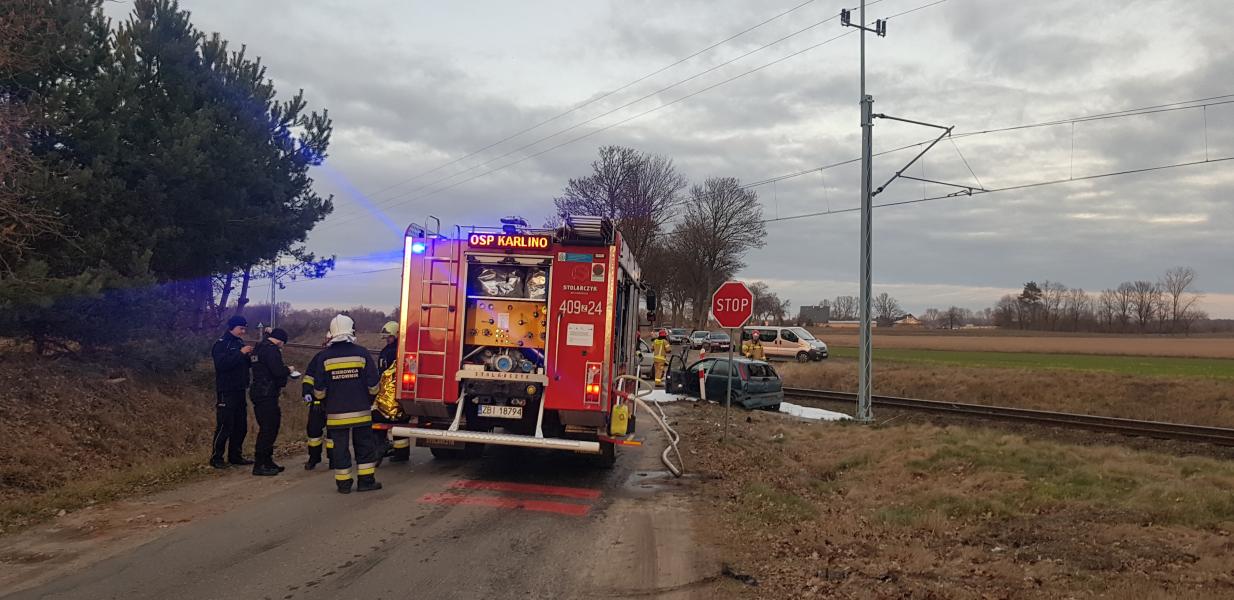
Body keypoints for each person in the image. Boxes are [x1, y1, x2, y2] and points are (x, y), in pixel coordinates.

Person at [303, 315, 383, 494]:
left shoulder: (324, 357)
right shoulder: (362, 353)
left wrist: (326, 403)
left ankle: (344, 485)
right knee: (364, 447)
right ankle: (366, 482)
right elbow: (373, 385)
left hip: (336, 414)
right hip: (361, 412)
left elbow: (319, 390)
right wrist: (368, 400)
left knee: (340, 449)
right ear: (351, 330)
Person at [250, 328, 294, 476]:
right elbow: (277, 371)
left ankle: (267, 461)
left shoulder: (258, 347)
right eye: (283, 343)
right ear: (280, 341)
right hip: (267, 393)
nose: (282, 346)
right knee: (269, 428)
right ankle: (260, 464)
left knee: (267, 427)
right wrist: (288, 370)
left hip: (259, 392)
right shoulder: (271, 350)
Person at [211, 315, 254, 469]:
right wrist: (240, 353)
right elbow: (222, 364)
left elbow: (244, 364)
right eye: (240, 328)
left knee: (240, 425)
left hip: (240, 389)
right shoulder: (221, 344)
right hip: (226, 390)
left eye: (244, 329)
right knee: (225, 425)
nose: (243, 332)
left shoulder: (239, 342)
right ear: (232, 327)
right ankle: (216, 458)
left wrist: (249, 356)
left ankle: (235, 455)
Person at [376, 321, 411, 463]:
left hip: (389, 394)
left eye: (389, 337)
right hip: (396, 393)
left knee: (378, 419)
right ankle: (401, 453)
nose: (387, 340)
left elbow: (384, 373)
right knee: (401, 421)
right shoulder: (398, 349)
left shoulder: (392, 351)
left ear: (396, 335)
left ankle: (381, 448)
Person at [302, 332, 332, 470]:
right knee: (313, 430)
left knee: (333, 432)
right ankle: (314, 457)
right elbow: (309, 377)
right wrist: (307, 392)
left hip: (334, 401)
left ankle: (334, 458)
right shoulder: (319, 357)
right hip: (317, 402)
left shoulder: (339, 357)